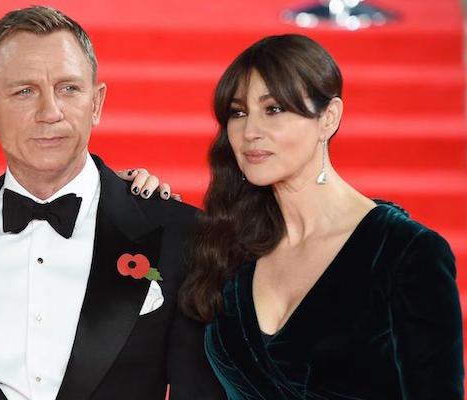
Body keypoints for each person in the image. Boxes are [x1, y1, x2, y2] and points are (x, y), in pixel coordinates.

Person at [0, 6, 224, 400]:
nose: (50, 113)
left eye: (68, 88)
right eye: (24, 91)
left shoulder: (179, 234)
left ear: (96, 103)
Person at [179, 34, 464, 399]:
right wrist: (129, 190)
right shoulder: (231, 245)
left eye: (274, 109)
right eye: (238, 113)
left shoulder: (407, 253)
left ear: (328, 118)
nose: (250, 132)